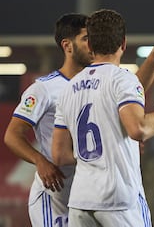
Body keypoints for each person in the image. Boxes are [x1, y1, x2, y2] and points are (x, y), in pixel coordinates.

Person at [51, 9, 154, 227]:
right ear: (123, 43)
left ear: (90, 46)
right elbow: (139, 129)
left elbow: (60, 155)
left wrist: (100, 153)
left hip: (81, 201)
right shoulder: (123, 79)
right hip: (118, 200)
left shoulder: (69, 87)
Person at [3, 13, 93, 226]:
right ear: (67, 45)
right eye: (86, 38)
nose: (93, 44)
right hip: (55, 194)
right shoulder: (43, 88)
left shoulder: (97, 84)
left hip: (89, 190)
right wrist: (40, 161)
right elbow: (12, 135)